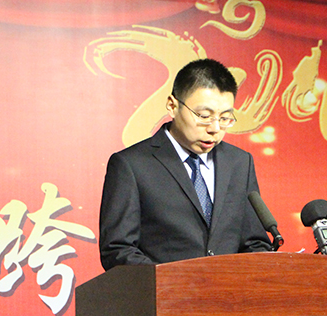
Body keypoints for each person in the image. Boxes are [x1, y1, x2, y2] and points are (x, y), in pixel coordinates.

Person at [99, 58, 272, 271]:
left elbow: (254, 242)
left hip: (229, 291)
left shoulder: (239, 162)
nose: (215, 128)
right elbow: (117, 250)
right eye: (204, 116)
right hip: (165, 291)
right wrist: (173, 280)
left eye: (225, 118)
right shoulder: (132, 165)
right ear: (173, 106)